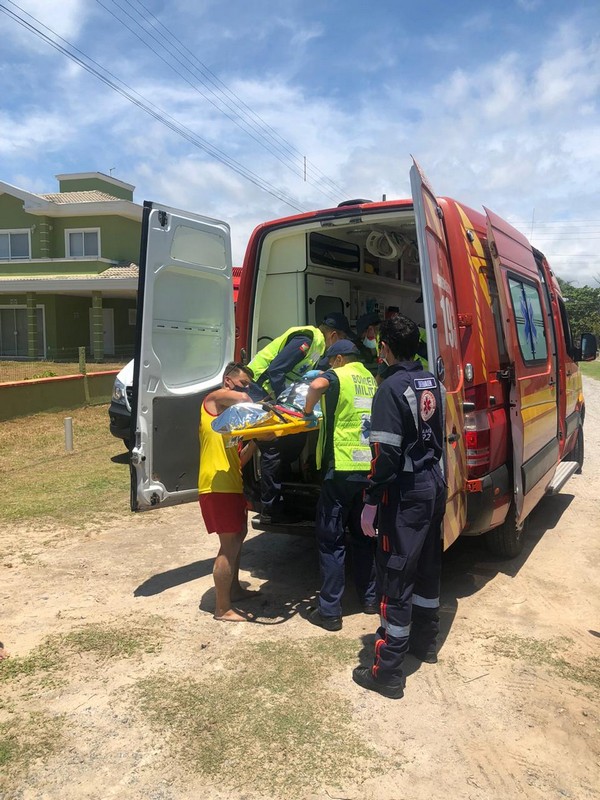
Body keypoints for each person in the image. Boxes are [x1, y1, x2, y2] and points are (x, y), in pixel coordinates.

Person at [352, 314, 446, 698]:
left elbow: (385, 454)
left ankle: (387, 670)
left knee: (395, 577)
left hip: (404, 492)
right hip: (432, 484)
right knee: (426, 569)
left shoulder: (390, 388)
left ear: (384, 347)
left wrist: (371, 498)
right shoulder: (429, 380)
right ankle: (425, 643)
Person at [247, 313, 353, 523]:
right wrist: (284, 404)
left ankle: (283, 498)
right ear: (333, 335)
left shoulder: (319, 348)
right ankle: (271, 509)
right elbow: (276, 370)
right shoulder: (307, 339)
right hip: (261, 390)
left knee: (294, 440)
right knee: (273, 446)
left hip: (273, 394)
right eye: (341, 339)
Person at [302, 339, 378, 630]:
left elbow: (318, 385)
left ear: (338, 359)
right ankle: (369, 599)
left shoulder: (339, 374)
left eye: (330, 362)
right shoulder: (369, 379)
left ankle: (330, 611)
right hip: (367, 467)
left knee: (331, 540)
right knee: (363, 536)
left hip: (341, 468)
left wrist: (309, 410)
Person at [198, 362, 259, 622]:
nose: (246, 389)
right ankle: (222, 608)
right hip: (216, 486)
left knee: (240, 535)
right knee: (228, 544)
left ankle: (233, 589)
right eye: (243, 382)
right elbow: (245, 398)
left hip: (232, 485)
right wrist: (259, 404)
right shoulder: (211, 401)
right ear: (227, 382)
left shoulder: (229, 425)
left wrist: (256, 438)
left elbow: (239, 459)